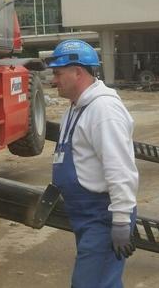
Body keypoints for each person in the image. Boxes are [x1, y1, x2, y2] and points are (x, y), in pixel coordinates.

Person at [46, 40, 139, 288]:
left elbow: (120, 168)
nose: (53, 80)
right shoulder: (75, 109)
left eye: (58, 73)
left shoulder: (103, 110)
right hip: (85, 216)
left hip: (103, 216)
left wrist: (120, 221)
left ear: (78, 71)